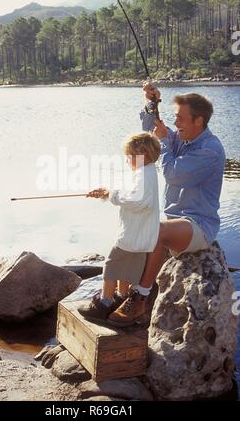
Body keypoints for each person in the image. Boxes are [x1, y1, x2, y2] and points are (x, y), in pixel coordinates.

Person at [107, 82, 226, 327]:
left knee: (156, 230)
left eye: (181, 119)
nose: (176, 123)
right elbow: (153, 130)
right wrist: (152, 103)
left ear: (199, 121)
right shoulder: (183, 138)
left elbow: (173, 173)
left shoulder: (210, 150)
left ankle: (139, 297)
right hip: (175, 221)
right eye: (175, 117)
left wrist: (163, 144)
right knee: (136, 228)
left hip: (198, 226)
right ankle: (119, 295)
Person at [78, 132, 161, 327]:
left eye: (130, 157)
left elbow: (138, 200)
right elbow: (131, 195)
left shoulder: (145, 174)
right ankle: (121, 298)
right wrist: (107, 193)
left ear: (145, 156)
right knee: (128, 271)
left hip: (131, 237)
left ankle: (104, 302)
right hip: (140, 237)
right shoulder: (146, 172)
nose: (127, 161)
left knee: (112, 265)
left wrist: (112, 195)